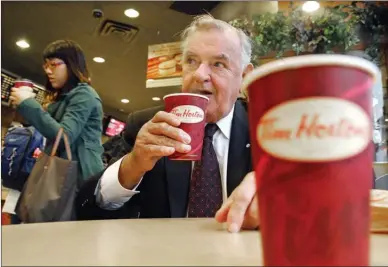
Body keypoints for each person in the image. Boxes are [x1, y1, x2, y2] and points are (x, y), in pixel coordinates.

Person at [76, 15, 259, 233]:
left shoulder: (264, 129)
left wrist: (276, 188)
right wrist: (133, 165)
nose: (200, 74)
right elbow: (89, 207)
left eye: (218, 64)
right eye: (191, 61)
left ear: (244, 78)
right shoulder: (147, 125)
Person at [10, 39, 105, 186]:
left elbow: (64, 137)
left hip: (77, 179)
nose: (48, 70)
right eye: (46, 65)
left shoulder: (85, 94)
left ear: (72, 64)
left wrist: (28, 104)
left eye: (54, 64)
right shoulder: (63, 96)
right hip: (60, 174)